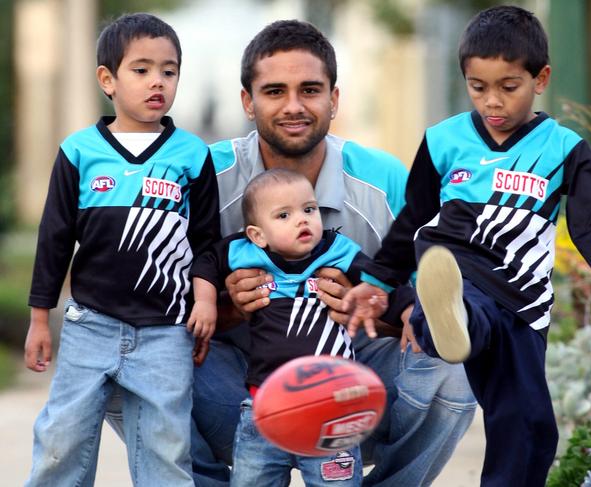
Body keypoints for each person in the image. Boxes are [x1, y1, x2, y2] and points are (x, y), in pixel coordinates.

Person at [342, 5, 591, 487]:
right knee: (459, 298)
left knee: (527, 424)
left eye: (508, 87)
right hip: (460, 270)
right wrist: (379, 279)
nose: (493, 102)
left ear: (541, 78)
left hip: (523, 304)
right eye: (477, 87)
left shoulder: (563, 148)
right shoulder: (445, 140)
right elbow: (414, 217)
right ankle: (445, 318)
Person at [190, 19, 476, 487]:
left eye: (310, 89)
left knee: (451, 366)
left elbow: (424, 300)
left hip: (355, 384)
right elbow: (167, 296)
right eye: (274, 91)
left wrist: (371, 303)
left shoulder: (382, 179)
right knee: (130, 355)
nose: (294, 106)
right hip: (241, 389)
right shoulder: (208, 176)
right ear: (248, 101)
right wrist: (231, 307)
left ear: (334, 99)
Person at [23, 13, 220, 486]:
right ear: (107, 79)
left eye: (169, 71)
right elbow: (54, 238)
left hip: (166, 333)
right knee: (61, 441)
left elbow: (209, 240)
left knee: (166, 448)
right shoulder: (79, 150)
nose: (158, 82)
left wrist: (207, 297)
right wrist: (38, 319)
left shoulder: (192, 155)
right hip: (89, 325)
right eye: (142, 69)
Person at [192, 168, 414, 486]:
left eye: (309, 209)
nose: (302, 220)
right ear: (258, 235)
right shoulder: (244, 252)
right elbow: (206, 263)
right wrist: (204, 302)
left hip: (333, 408)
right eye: (284, 215)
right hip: (263, 408)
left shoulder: (338, 251)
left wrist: (406, 312)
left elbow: (377, 282)